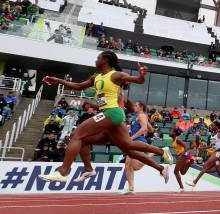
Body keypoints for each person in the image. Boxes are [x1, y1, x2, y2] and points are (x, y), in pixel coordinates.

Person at [38, 51, 173, 182]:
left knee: (76, 135)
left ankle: (63, 172)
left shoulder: (116, 75)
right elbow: (78, 86)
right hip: (108, 116)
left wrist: (142, 75)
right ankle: (161, 152)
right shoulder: (95, 77)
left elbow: (138, 80)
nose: (96, 60)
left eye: (98, 58)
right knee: (127, 146)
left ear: (105, 60)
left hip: (112, 113)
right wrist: (58, 81)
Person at [186, 120, 220, 189]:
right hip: (217, 154)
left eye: (212, 125)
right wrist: (203, 148)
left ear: (216, 127)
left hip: (219, 152)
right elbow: (211, 145)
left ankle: (194, 182)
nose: (211, 126)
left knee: (205, 166)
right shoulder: (211, 135)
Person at [120, 101, 156, 194]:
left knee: (135, 167)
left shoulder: (142, 116)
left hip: (139, 141)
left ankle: (153, 153)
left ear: (141, 107)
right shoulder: (139, 116)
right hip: (133, 142)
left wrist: (131, 137)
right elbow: (151, 130)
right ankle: (131, 188)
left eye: (136, 105)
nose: (134, 107)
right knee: (127, 165)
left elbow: (144, 129)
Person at [168, 128, 194, 192]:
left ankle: (181, 187)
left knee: (175, 172)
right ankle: (189, 163)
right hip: (182, 155)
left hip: (183, 155)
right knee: (182, 172)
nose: (169, 132)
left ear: (174, 133)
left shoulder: (177, 139)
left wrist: (182, 154)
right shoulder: (174, 140)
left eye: (171, 131)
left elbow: (186, 147)